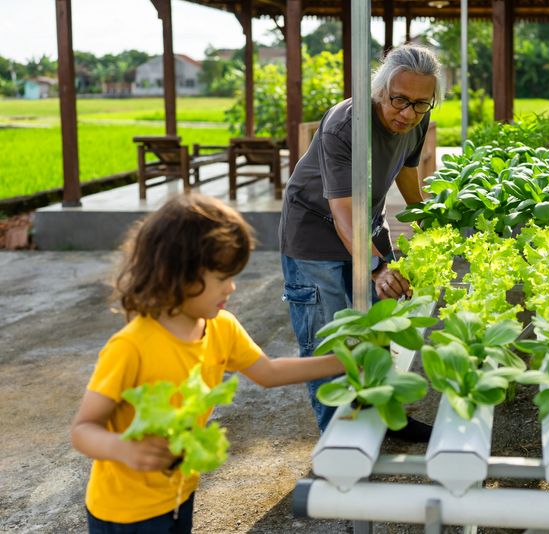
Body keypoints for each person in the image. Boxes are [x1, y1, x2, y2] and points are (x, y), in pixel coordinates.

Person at [70, 194, 343, 533]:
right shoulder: (130, 347)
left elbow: (268, 372)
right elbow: (83, 430)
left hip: (180, 494)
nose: (231, 286)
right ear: (178, 274)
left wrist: (341, 362)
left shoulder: (221, 326)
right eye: (221, 277)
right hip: (123, 512)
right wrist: (122, 449)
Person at [278, 44, 443, 435]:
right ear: (379, 90)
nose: (407, 113)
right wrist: (376, 267)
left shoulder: (418, 117)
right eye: (398, 100)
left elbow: (406, 169)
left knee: (378, 329)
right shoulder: (346, 125)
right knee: (331, 343)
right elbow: (342, 212)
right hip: (315, 236)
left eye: (420, 104)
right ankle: (341, 444)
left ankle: (384, 421)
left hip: (365, 225)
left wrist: (424, 217)